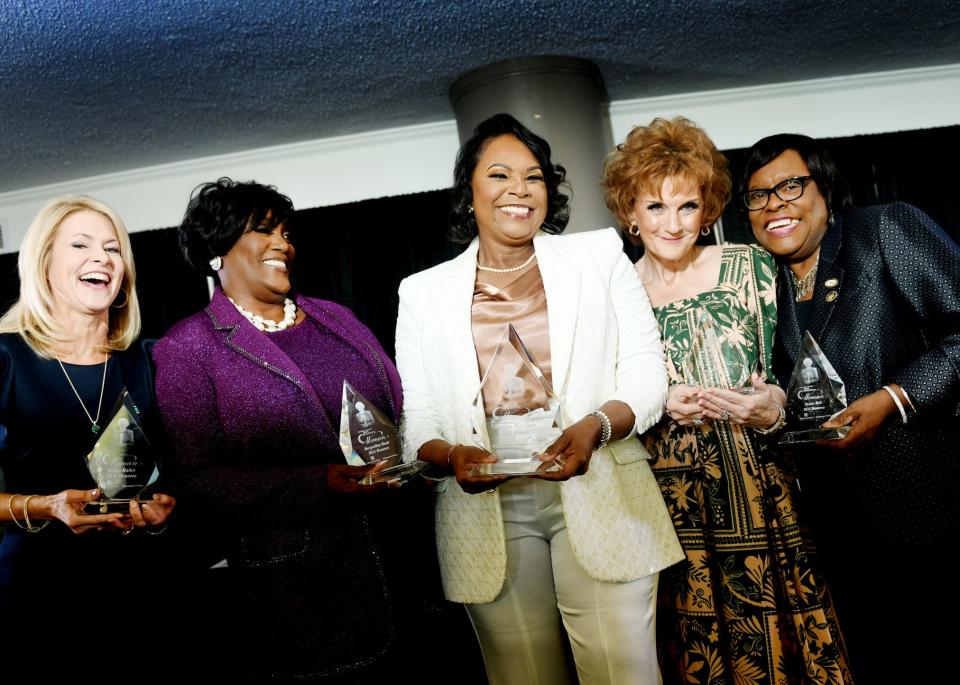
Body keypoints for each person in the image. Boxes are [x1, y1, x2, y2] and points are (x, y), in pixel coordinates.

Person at [395, 113, 683, 685]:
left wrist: (595, 428)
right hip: (485, 502)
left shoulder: (598, 257)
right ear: (469, 192)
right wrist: (452, 457)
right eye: (499, 174)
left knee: (623, 673)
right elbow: (417, 418)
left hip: (598, 482)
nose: (519, 190)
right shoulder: (423, 292)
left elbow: (648, 375)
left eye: (534, 176)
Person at [152, 178, 440, 681]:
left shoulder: (337, 318)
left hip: (408, 560)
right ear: (217, 247)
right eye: (264, 230)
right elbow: (198, 483)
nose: (284, 242)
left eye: (286, 231)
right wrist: (319, 482)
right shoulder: (188, 348)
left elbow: (400, 412)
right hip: (303, 590)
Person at [602, 117, 852, 684]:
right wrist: (661, 402)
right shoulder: (614, 294)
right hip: (670, 500)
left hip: (762, 486)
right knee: (697, 647)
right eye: (655, 207)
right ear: (629, 213)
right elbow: (607, 401)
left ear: (709, 207)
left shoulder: (751, 266)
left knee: (789, 638)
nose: (673, 224)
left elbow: (794, 370)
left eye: (688, 206)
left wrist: (774, 404)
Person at [741, 133, 960, 684]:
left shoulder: (883, 230)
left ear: (826, 189)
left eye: (790, 186)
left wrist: (893, 399)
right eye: (758, 196)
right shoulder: (760, 287)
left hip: (932, 502)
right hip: (835, 528)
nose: (774, 205)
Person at [0, 196, 176, 672]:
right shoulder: (6, 361)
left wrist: (161, 510)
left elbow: (180, 478)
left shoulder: (152, 361)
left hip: (143, 601)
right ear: (44, 266)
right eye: (80, 245)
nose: (102, 257)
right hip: (36, 604)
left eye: (112, 249)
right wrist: (45, 505)